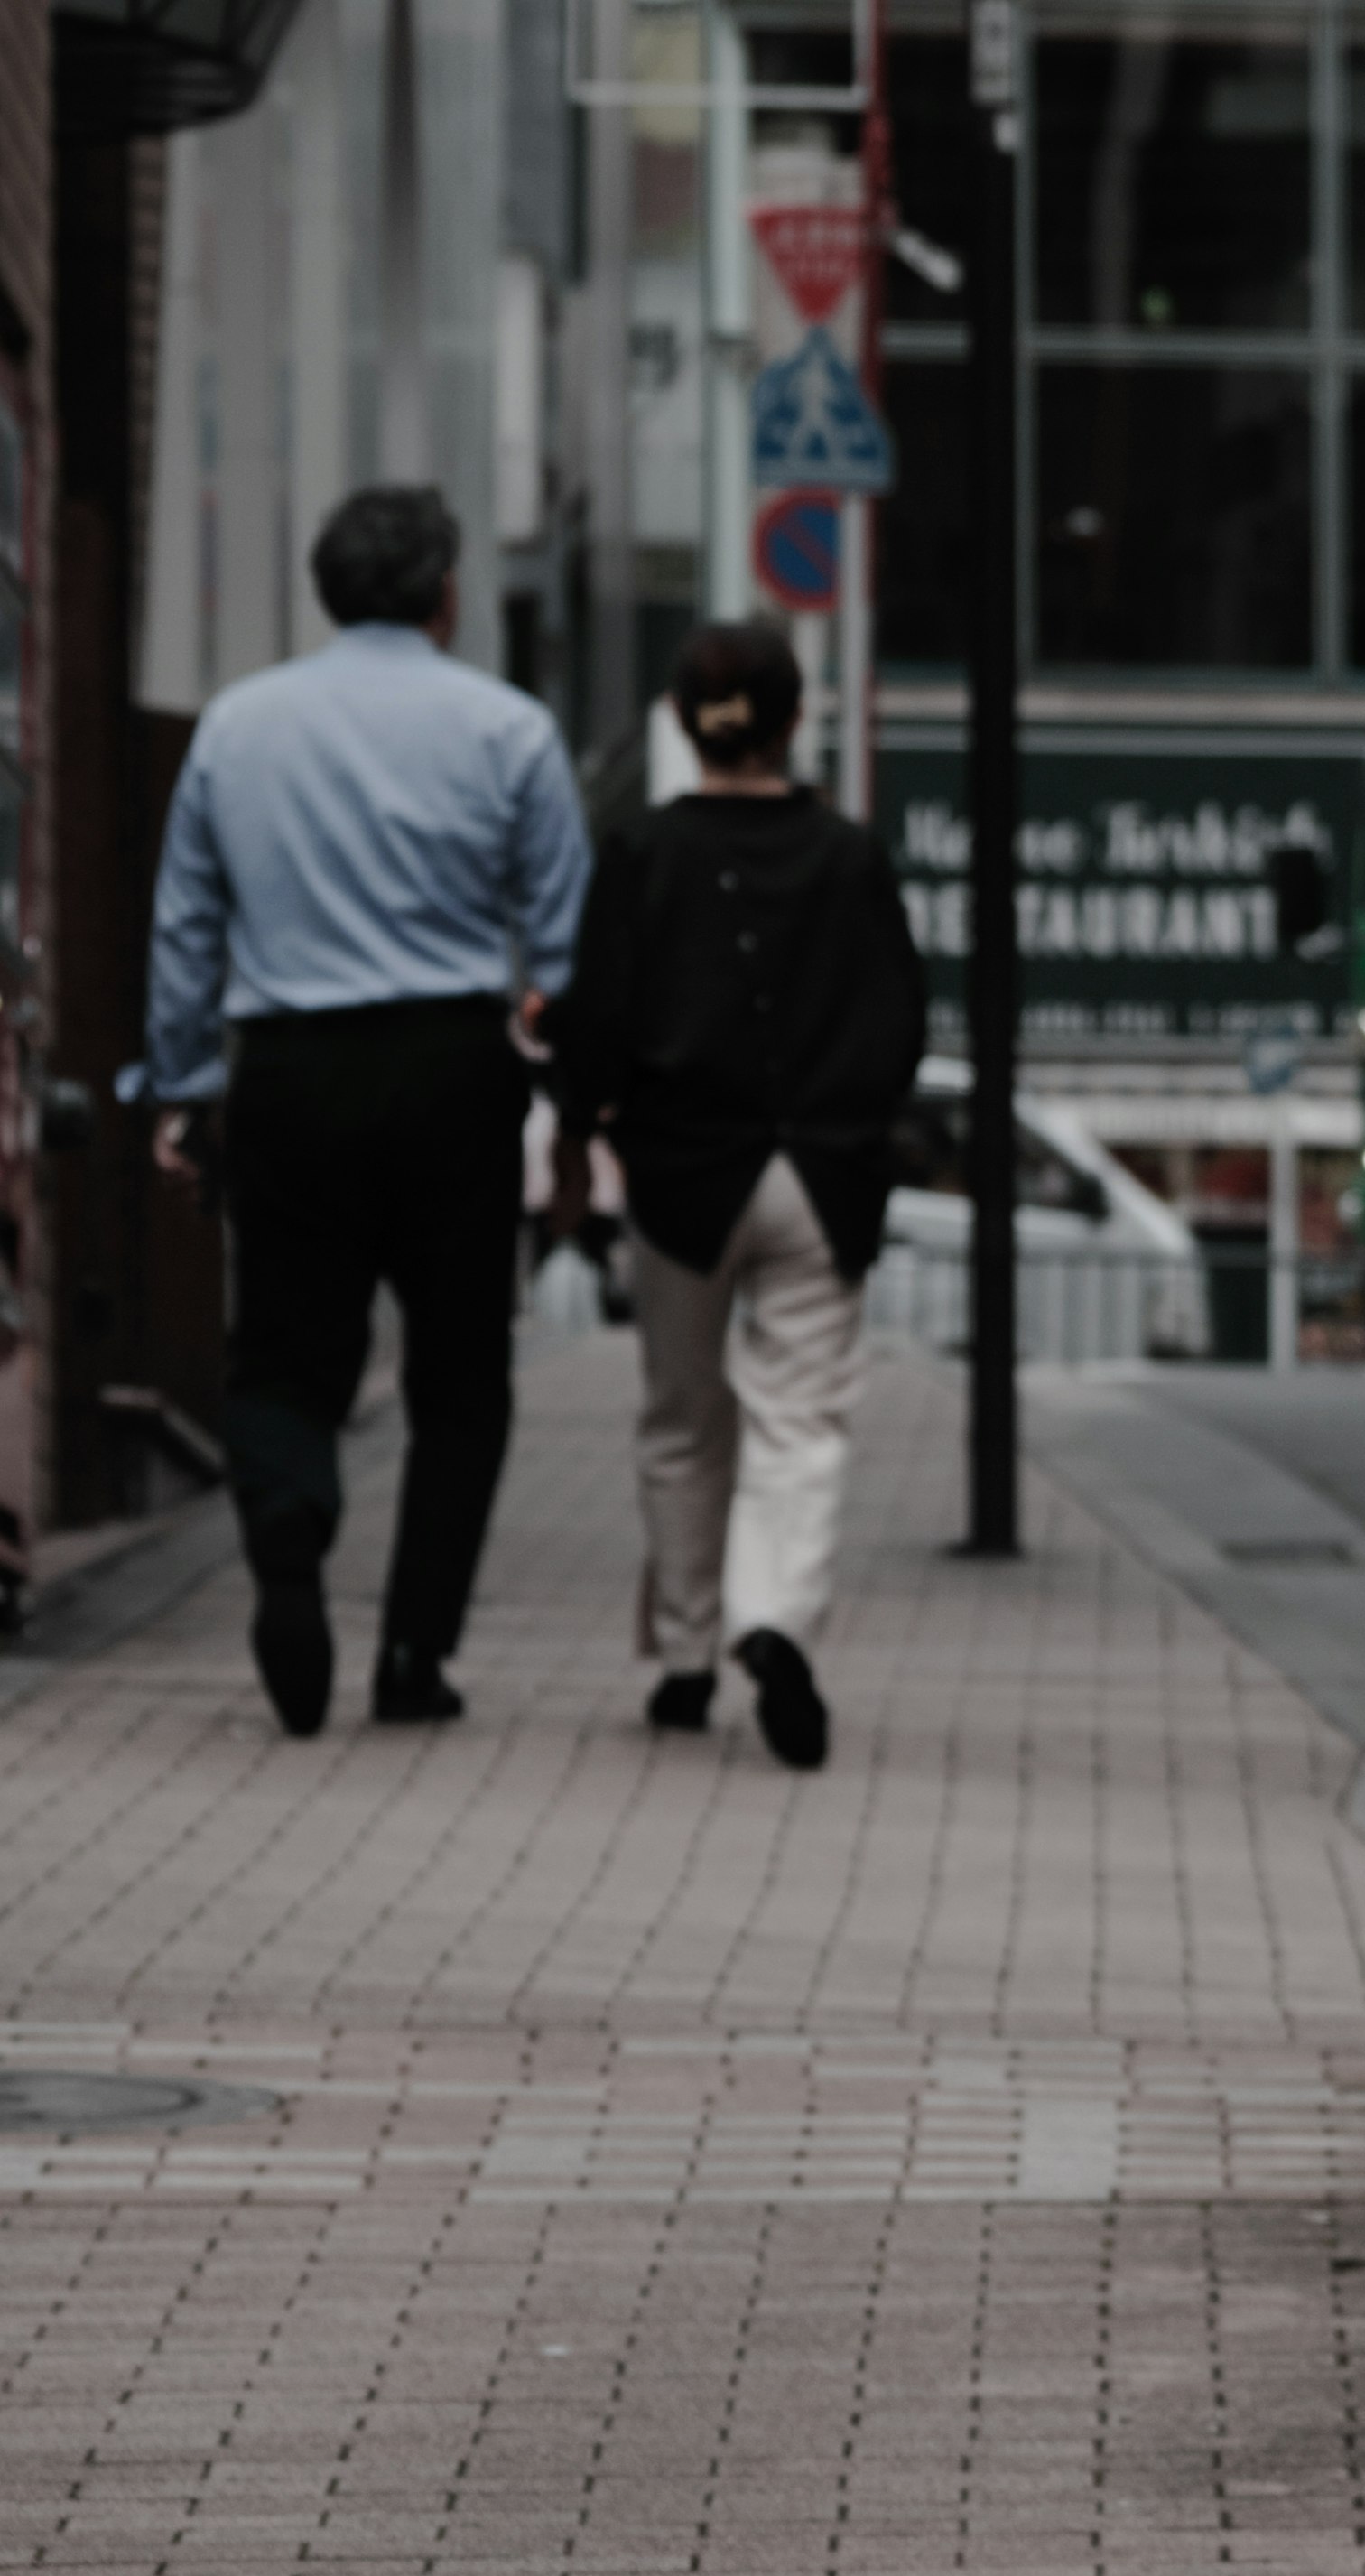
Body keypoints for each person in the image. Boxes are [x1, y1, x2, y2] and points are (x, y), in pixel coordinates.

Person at [144, 486, 593, 1735]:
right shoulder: (510, 732)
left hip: (289, 1065)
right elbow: (562, 945)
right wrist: (553, 1077)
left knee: (284, 1349)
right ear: (447, 595)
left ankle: (289, 1538)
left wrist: (181, 1088)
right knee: (461, 1376)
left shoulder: (238, 728)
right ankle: (411, 1652)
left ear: (325, 592)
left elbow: (186, 928)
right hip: (454, 1064)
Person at [545, 623, 927, 1771]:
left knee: (681, 1417)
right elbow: (901, 1022)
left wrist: (574, 1138)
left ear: (676, 720)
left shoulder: (644, 853)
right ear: (794, 719)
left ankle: (683, 1658)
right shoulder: (851, 857)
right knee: (798, 1419)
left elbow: (596, 1021)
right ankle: (774, 1622)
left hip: (678, 1174)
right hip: (819, 1172)